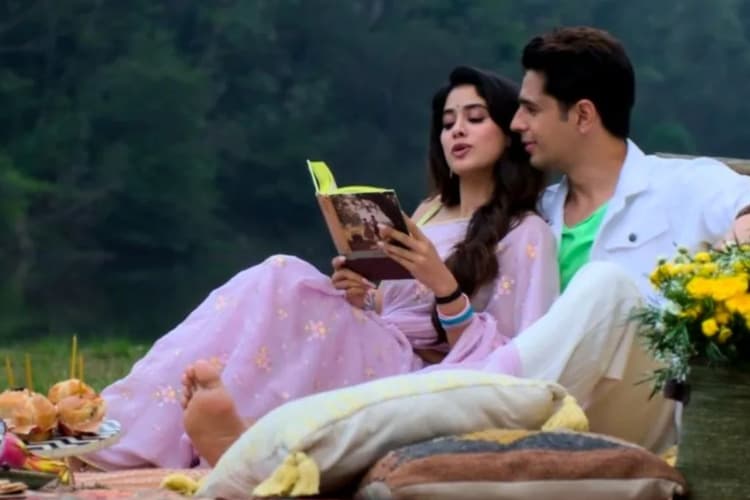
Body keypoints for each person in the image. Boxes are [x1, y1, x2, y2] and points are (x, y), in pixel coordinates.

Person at [83, 66, 559, 470]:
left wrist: (445, 288)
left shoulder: (525, 233)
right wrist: (362, 295)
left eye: (475, 118)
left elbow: (515, 364)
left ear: (509, 133)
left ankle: (183, 434)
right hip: (380, 345)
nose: (456, 131)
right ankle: (113, 418)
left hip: (420, 375)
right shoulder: (429, 211)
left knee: (284, 275)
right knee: (284, 281)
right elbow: (394, 308)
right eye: (448, 122)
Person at [507, 26, 750, 452]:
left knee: (607, 285)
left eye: (530, 109)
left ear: (583, 115)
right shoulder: (532, 216)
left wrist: (725, 264)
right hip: (554, 407)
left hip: (643, 404)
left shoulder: (681, 185)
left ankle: (484, 407)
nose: (516, 123)